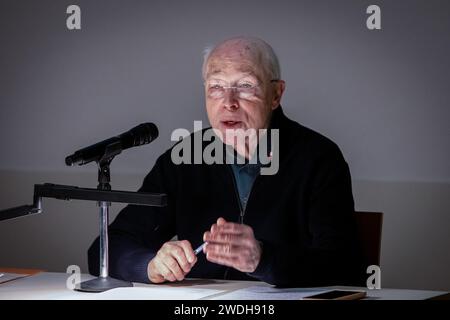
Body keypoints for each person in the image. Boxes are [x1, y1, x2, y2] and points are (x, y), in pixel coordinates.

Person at [88, 36, 365, 287]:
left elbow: (345, 267)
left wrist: (264, 259)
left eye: (245, 86)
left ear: (276, 95)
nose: (229, 102)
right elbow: (104, 249)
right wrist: (149, 265)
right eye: (216, 87)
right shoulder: (183, 159)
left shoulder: (319, 158)